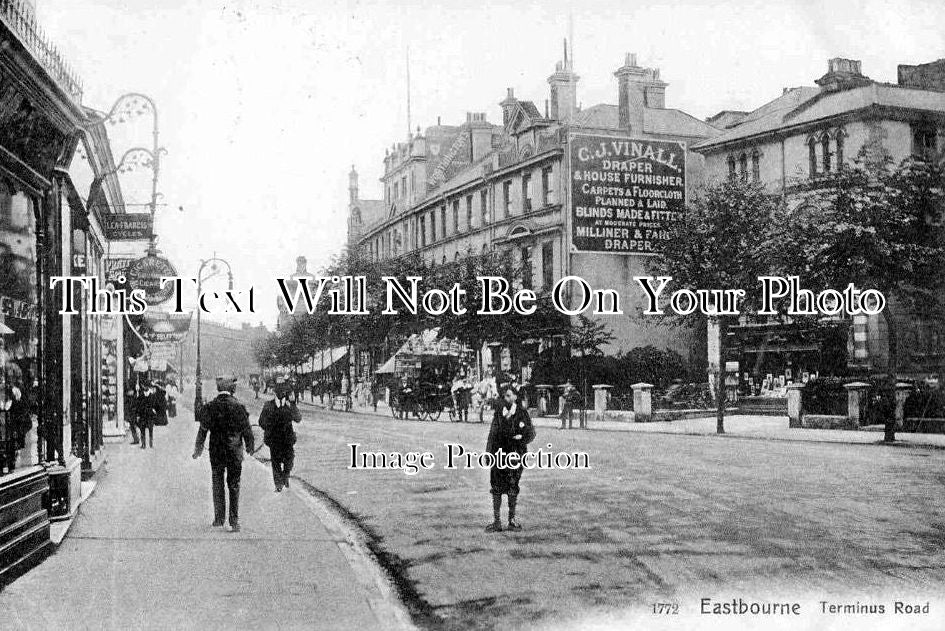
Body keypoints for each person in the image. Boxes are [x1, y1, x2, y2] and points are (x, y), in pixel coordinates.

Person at [192, 375, 254, 532]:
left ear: (219, 389)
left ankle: (219, 519)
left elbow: (203, 430)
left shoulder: (210, 406)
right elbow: (247, 429)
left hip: (216, 450)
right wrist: (250, 447)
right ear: (231, 389)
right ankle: (234, 521)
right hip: (234, 451)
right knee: (234, 484)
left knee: (217, 483)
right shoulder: (239, 406)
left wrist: (198, 449)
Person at [485, 387, 535, 532]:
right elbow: (492, 434)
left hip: (515, 454)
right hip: (498, 454)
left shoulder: (521, 412)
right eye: (504, 396)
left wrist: (522, 437)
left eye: (508, 396)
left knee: (513, 485)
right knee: (496, 487)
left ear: (515, 397)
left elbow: (531, 432)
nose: (505, 399)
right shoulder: (499, 413)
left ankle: (511, 520)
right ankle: (497, 522)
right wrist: (489, 453)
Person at [258, 378, 302, 492]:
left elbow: (298, 418)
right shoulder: (268, 405)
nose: (282, 393)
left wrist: (292, 404)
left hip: (287, 439)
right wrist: (270, 426)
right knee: (276, 462)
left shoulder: (289, 405)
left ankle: (285, 476)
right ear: (275, 392)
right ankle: (278, 484)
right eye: (280, 390)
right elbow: (261, 422)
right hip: (274, 439)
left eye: (284, 391)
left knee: (289, 461)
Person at [136, 381, 159, 449]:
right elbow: (138, 405)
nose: (144, 387)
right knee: (142, 429)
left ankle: (151, 443)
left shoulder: (152, 395)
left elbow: (156, 405)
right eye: (144, 386)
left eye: (145, 386)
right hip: (142, 414)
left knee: (150, 429)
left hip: (150, 415)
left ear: (148, 387)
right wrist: (138, 415)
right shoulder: (141, 395)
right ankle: (143, 444)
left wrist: (154, 410)